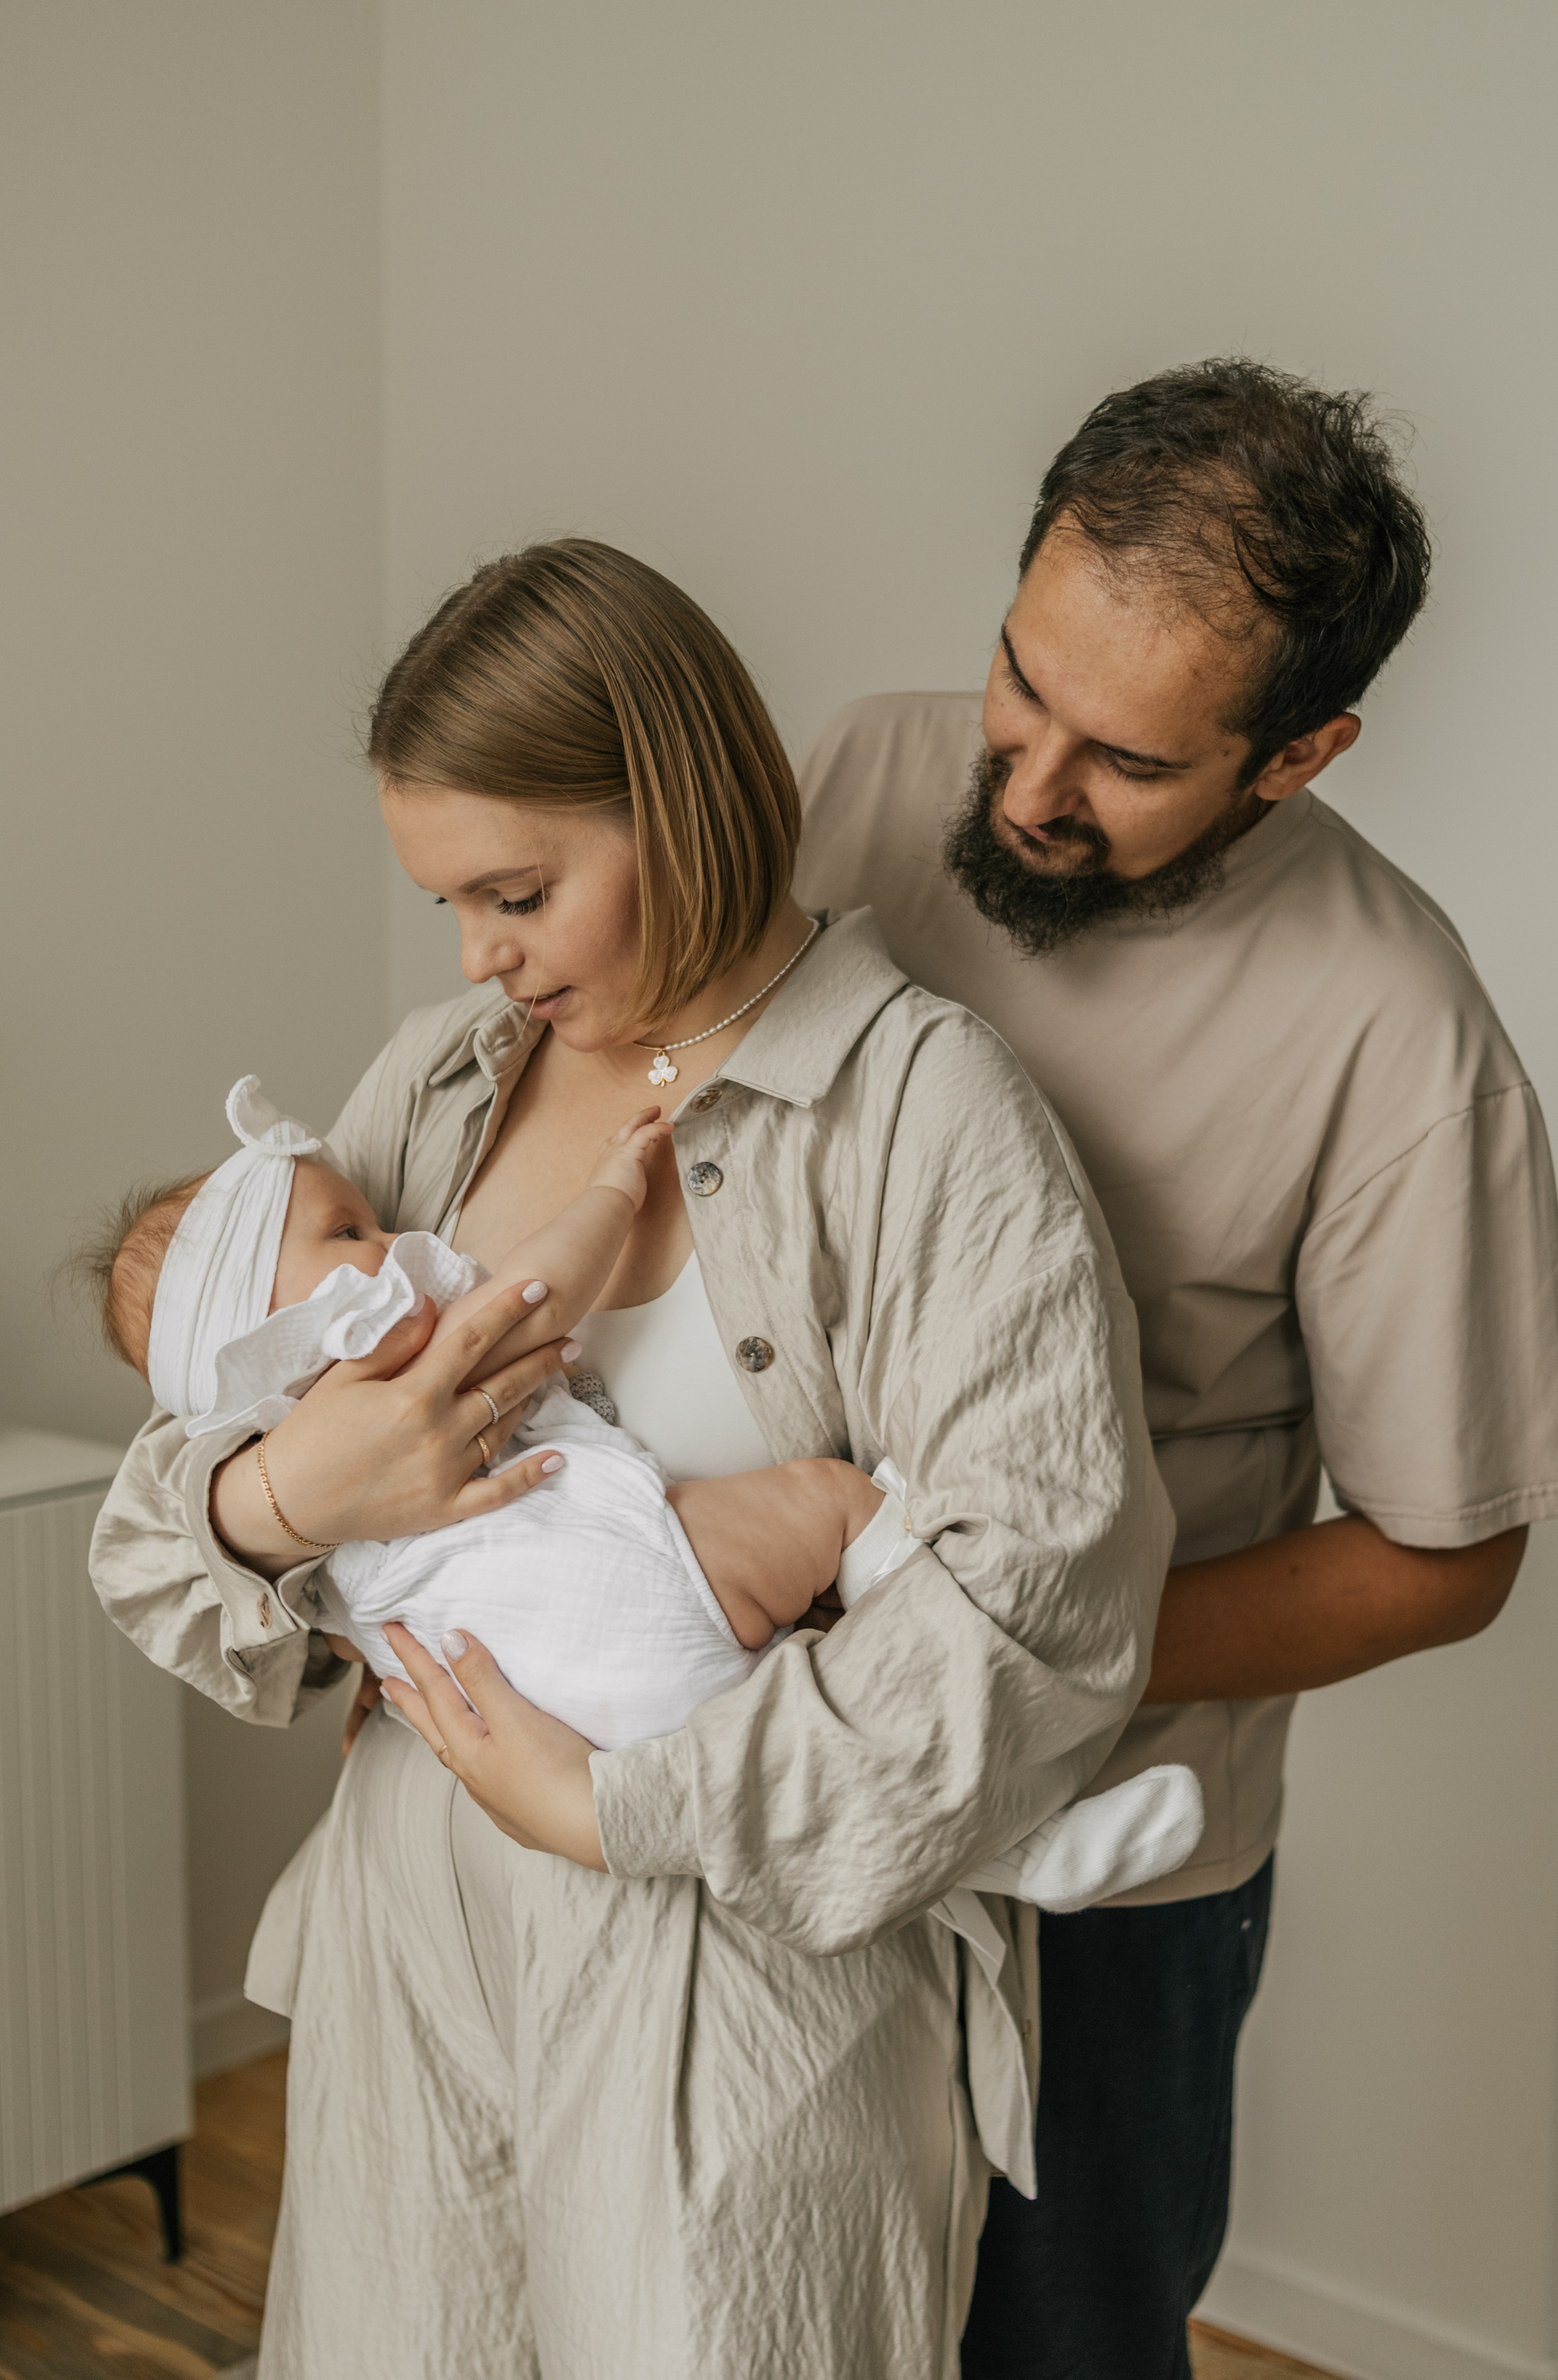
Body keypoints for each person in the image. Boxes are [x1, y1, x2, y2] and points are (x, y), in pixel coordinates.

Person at [89, 538, 1175, 2379]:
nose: (478, 955)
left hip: (741, 1968)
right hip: (417, 1938)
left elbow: (1036, 1599)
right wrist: (294, 1502)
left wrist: (614, 1809)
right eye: (448, 901)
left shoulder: (923, 1109)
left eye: (517, 889)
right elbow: (168, 1510)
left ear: (680, 799)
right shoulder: (443, 1077)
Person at [794, 357, 1558, 2380]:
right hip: (756, 1773)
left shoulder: (1403, 1037)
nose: (1031, 783)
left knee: (1054, 2351)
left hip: (1096, 1882)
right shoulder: (853, 778)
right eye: (1020, 680)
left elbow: (1443, 1556)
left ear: (1301, 751)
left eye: (1126, 760)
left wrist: (1016, 1651)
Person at [89, 1073, 1201, 1902]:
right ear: (270, 1326)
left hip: (514, 1709)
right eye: (347, 1230)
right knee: (831, 1501)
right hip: (629, 1600)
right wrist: (614, 1191)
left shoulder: (251, 1434)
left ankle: (998, 1854)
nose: (394, 1232)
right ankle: (982, 1778)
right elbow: (543, 1291)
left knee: (791, 1716)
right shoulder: (385, 1353)